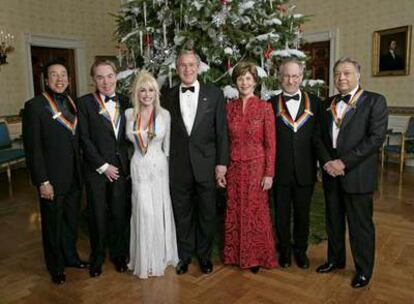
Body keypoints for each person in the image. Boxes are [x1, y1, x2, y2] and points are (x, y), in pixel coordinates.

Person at [315, 57, 388, 288]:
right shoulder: (327, 103)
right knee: (333, 222)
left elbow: (375, 139)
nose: (341, 78)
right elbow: (318, 137)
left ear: (358, 75)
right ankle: (335, 260)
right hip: (331, 174)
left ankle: (364, 270)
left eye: (346, 73)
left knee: (360, 226)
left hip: (356, 174)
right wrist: (328, 162)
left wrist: (343, 163)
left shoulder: (375, 101)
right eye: (337, 74)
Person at [161, 49, 229, 275]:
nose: (187, 69)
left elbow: (221, 132)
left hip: (207, 166)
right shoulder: (167, 95)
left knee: (207, 213)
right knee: (182, 213)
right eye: (182, 65)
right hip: (178, 166)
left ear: (198, 67)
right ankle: (184, 255)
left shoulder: (215, 93)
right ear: (176, 68)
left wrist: (221, 163)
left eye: (191, 65)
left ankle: (204, 255)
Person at [23, 60, 88, 285]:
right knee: (52, 225)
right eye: (54, 75)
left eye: (63, 74)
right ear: (46, 79)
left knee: (71, 222)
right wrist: (42, 181)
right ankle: (56, 266)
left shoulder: (73, 102)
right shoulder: (34, 106)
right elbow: (33, 150)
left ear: (69, 79)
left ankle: (71, 257)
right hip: (52, 179)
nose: (59, 79)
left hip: (75, 177)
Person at [223, 61, 277, 274]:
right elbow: (225, 141)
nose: (244, 82)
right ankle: (234, 255)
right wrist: (223, 169)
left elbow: (271, 144)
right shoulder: (229, 108)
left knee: (255, 212)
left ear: (255, 81)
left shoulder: (265, 108)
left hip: (257, 167)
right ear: (235, 82)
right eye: (240, 78)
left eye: (248, 78)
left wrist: (269, 173)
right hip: (234, 166)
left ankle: (255, 257)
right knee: (235, 210)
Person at [78, 60, 130, 278]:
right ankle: (97, 257)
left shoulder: (127, 101)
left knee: (119, 213)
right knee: (97, 215)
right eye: (100, 77)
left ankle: (119, 255)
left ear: (116, 77)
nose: (106, 81)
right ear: (94, 80)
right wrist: (102, 165)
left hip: (121, 169)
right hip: (97, 170)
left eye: (109, 76)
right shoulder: (84, 103)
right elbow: (84, 138)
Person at [125, 71, 179, 278]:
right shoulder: (130, 114)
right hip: (139, 166)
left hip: (159, 168)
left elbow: (168, 147)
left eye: (151, 90)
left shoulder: (164, 114)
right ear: (136, 93)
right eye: (142, 90)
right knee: (143, 210)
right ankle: (144, 258)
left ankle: (161, 256)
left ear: (156, 93)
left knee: (159, 210)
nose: (147, 94)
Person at [268, 58, 321, 269]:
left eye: (295, 76)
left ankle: (301, 250)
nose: (291, 80)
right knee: (281, 214)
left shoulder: (315, 103)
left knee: (302, 213)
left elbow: (320, 137)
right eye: (286, 76)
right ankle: (284, 251)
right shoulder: (270, 105)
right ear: (280, 77)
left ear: (301, 77)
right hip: (279, 170)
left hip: (305, 170)